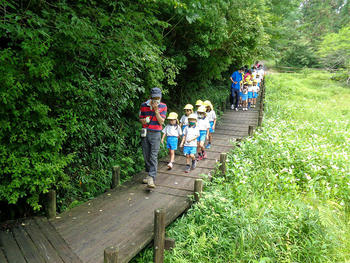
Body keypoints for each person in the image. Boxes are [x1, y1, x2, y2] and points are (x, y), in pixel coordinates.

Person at [139, 87, 167, 188]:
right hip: (145, 132)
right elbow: (141, 117)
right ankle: (149, 173)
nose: (156, 100)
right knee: (146, 155)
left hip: (156, 133)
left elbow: (161, 122)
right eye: (154, 98)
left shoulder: (163, 106)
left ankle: (151, 177)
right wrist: (142, 121)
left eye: (158, 98)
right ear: (150, 97)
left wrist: (156, 111)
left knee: (153, 155)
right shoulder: (143, 105)